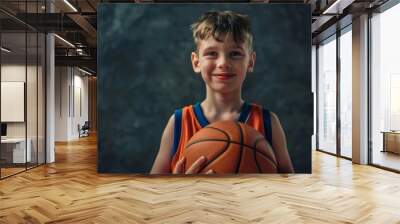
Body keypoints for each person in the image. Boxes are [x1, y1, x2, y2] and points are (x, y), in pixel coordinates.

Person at [151, 10, 294, 174]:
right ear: (196, 62)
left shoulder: (268, 122)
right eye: (212, 53)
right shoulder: (178, 122)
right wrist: (180, 188)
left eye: (235, 54)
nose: (223, 63)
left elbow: (289, 187)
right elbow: (153, 191)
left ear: (250, 62)